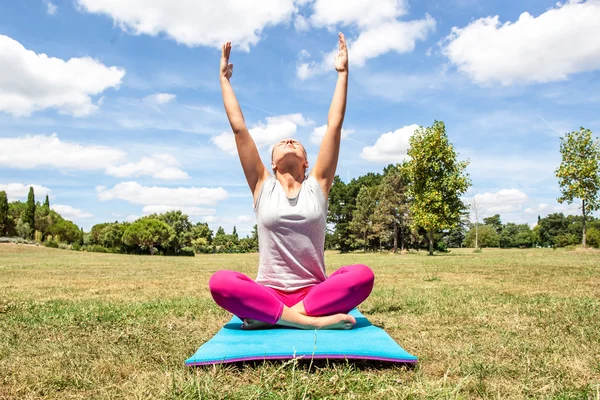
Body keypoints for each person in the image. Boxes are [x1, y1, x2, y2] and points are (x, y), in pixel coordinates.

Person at [209, 33, 374, 330]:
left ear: (307, 162)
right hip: (268, 292)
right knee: (220, 282)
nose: (289, 140)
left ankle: (279, 318)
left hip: (314, 293)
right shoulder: (262, 184)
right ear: (271, 163)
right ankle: (310, 323)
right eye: (282, 142)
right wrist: (224, 80)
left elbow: (334, 127)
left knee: (362, 275)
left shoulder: (318, 185)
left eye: (296, 143)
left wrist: (343, 74)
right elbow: (239, 130)